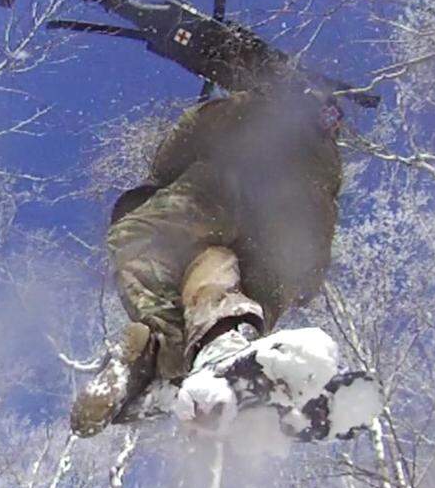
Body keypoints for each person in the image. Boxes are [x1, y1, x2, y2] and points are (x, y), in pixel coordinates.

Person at [71, 87, 344, 437]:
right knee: (214, 269)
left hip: (223, 197)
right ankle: (199, 352)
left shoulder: (261, 115)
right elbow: (320, 233)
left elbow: (181, 143)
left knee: (140, 241)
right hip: (280, 248)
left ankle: (165, 356)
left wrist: (246, 102)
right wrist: (306, 278)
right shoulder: (326, 171)